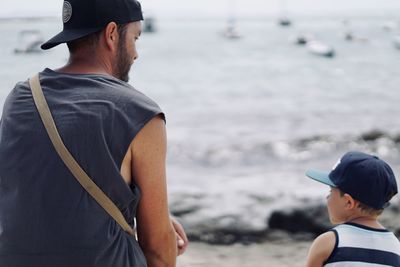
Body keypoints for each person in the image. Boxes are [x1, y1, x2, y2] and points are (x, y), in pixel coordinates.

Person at [0, 0, 187, 266]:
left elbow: (38, 192)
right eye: (135, 37)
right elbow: (157, 249)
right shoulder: (139, 113)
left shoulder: (20, 98)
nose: (135, 53)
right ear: (112, 34)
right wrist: (161, 229)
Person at [305, 151, 400, 267]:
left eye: (331, 192)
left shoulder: (329, 242)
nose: (327, 197)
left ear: (348, 202)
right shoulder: (396, 248)